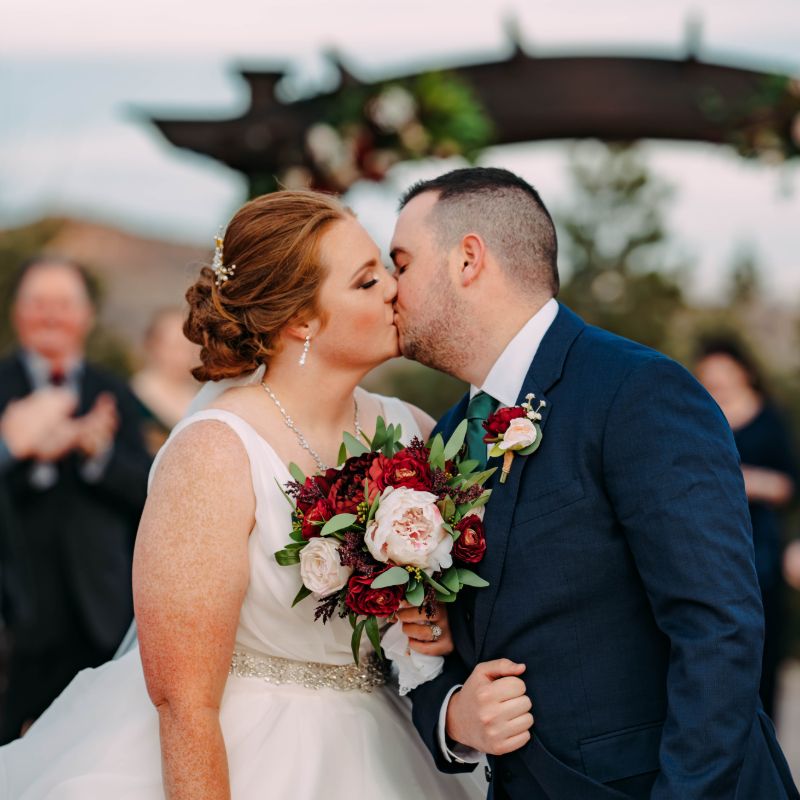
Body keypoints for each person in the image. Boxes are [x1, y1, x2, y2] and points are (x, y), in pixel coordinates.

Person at [0, 191, 484, 799]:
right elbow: (184, 700)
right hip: (253, 754)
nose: (394, 288)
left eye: (386, 268)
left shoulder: (414, 430)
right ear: (301, 319)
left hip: (398, 749)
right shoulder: (217, 450)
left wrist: (434, 626)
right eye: (366, 281)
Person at [392, 167, 798, 799]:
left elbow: (717, 625)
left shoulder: (636, 391)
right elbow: (449, 638)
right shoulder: (445, 438)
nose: (392, 289)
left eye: (402, 262)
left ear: (468, 259)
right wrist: (453, 718)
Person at [0, 256, 151, 744]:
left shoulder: (114, 393)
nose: (51, 316)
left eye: (63, 304)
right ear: (16, 312)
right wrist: (22, 449)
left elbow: (149, 488)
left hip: (98, 610)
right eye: (38, 303)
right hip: (14, 611)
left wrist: (96, 456)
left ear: (86, 315)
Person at [695, 336, 796, 721]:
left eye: (723, 370)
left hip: (760, 549)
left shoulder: (770, 419)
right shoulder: (698, 413)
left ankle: (765, 742)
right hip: (708, 545)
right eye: (708, 372)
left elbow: (789, 483)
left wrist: (740, 479)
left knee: (764, 649)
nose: (715, 378)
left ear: (744, 371)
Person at [130, 307, 201, 455]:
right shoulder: (132, 397)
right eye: (175, 346)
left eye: (189, 348)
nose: (182, 357)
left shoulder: (201, 398)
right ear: (152, 346)